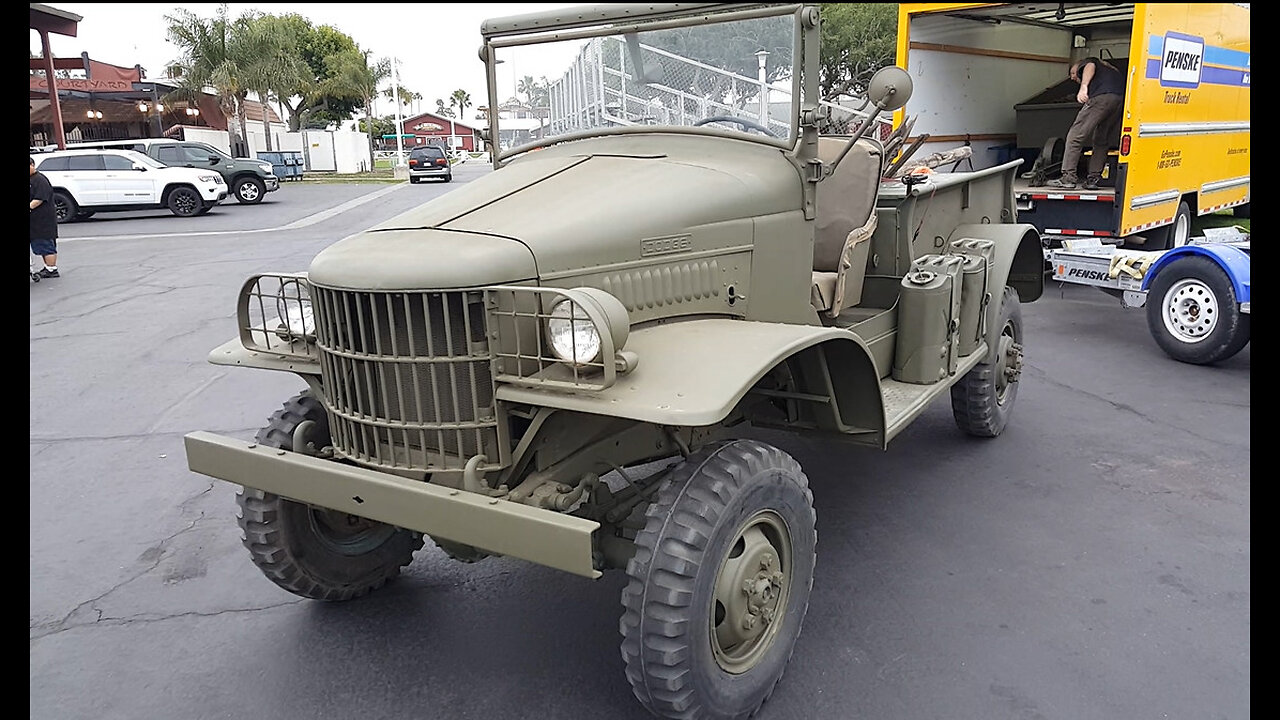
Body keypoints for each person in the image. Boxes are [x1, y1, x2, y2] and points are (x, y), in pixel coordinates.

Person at [1048, 57, 1125, 190]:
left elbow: (1090, 65)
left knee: (1075, 136)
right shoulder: (1111, 70)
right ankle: (1093, 179)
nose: (1073, 77)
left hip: (1101, 98)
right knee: (1101, 140)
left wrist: (1083, 87)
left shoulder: (1090, 62)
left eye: (1073, 73)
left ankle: (1068, 177)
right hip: (1118, 100)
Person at [29, 156, 59, 278]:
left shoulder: (40, 180)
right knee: (39, 243)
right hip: (34, 220)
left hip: (43, 219)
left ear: (32, 165)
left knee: (46, 242)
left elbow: (40, 198)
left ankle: (52, 269)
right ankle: (47, 267)